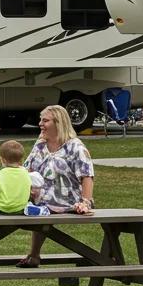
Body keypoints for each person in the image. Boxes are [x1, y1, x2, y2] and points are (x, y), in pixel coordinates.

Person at [18, 104, 95, 267]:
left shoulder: (75, 147)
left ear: (58, 123)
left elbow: (87, 175)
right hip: (40, 202)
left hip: (67, 202)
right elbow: (26, 170)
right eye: (40, 120)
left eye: (45, 120)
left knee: (40, 215)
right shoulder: (40, 145)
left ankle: (97, 258)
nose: (40, 124)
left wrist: (86, 202)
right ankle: (34, 255)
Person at [0, 139, 31, 214]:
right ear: (21, 159)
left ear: (3, 160)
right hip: (21, 208)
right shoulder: (25, 173)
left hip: (1, 208)